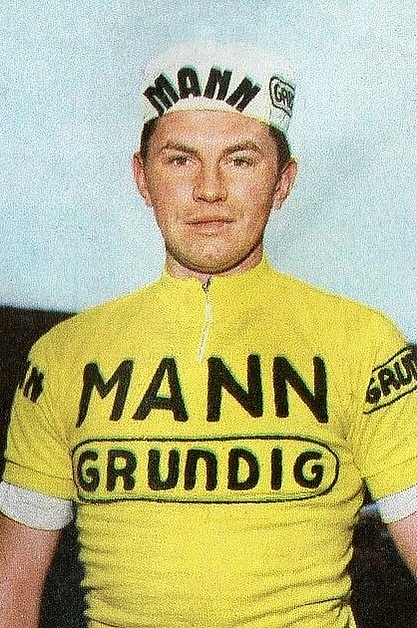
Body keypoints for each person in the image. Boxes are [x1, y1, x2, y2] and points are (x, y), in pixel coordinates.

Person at [0, 41, 416, 628]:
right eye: (180, 160)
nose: (209, 189)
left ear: (283, 181)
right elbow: (11, 595)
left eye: (241, 160)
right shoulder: (64, 356)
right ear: (142, 177)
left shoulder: (364, 343)